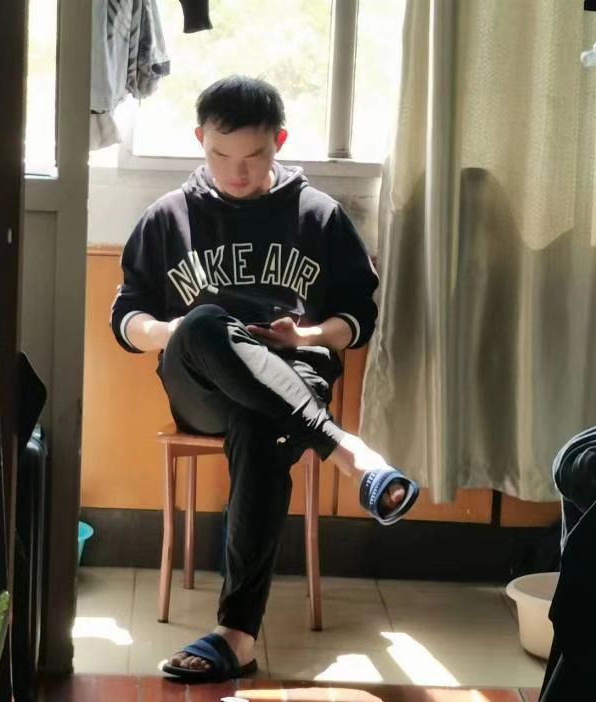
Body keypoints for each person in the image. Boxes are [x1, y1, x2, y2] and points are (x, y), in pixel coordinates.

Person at [110, 75, 420, 682]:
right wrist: (177, 332)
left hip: (291, 376)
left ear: (278, 142)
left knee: (259, 426)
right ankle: (348, 452)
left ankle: (237, 637)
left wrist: (302, 337)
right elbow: (127, 320)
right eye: (220, 154)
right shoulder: (168, 217)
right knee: (204, 323)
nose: (237, 171)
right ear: (199, 140)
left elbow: (357, 322)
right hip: (202, 386)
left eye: (253, 155)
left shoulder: (320, 216)